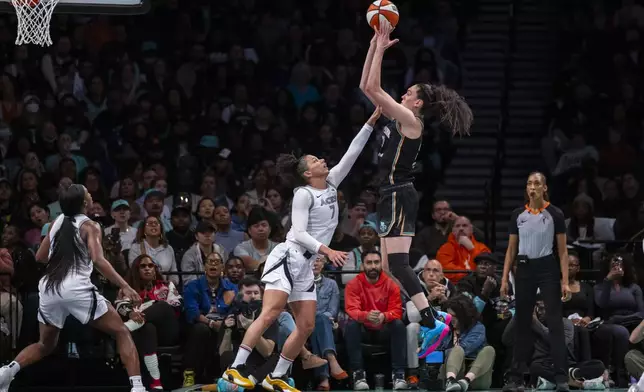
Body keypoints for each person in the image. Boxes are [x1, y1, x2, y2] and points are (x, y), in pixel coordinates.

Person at [223, 107, 383, 392]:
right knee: (270, 312)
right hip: (288, 257)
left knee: (307, 324)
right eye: (315, 160)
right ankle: (235, 368)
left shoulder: (331, 183)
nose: (322, 159)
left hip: (306, 265)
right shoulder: (302, 194)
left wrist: (370, 123)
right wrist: (328, 250)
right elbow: (297, 232)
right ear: (308, 173)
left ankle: (279, 375)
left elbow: (353, 153)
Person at [359, 21, 473, 353]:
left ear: (419, 103)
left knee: (398, 265)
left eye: (409, 93)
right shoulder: (399, 118)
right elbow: (367, 85)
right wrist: (373, 45)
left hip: (398, 193)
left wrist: (380, 49)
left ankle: (431, 323)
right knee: (391, 268)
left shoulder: (411, 122)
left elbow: (373, 88)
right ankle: (434, 320)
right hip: (390, 196)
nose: (404, 93)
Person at [0, 184, 145, 392]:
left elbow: (40, 257)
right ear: (84, 202)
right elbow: (99, 260)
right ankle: (138, 387)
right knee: (121, 331)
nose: (91, 195)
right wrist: (125, 285)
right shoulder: (91, 226)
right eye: (88, 193)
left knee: (45, 344)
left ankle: (7, 372)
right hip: (76, 288)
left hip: (49, 289)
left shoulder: (56, 222)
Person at [500, 172, 570, 392]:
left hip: (547, 267)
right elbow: (511, 249)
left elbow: (563, 251)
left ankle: (561, 377)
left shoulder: (555, 214)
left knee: (555, 321)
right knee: (522, 322)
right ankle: (516, 378)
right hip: (524, 269)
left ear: (544, 188)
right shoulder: (518, 214)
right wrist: (504, 279)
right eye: (529, 183)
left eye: (537, 183)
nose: (532, 187)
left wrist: (565, 281)